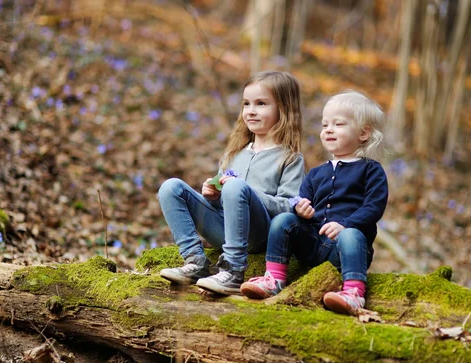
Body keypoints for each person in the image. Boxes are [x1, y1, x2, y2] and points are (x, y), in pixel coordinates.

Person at [240, 89, 388, 316]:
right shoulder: (317, 173)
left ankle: (354, 293)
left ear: (363, 133)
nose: (328, 129)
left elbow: (374, 206)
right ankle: (273, 279)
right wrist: (301, 208)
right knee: (283, 219)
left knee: (351, 233)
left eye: (338, 124)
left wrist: (346, 224)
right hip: (312, 245)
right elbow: (300, 199)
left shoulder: (371, 169)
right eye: (325, 124)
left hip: (345, 249)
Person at [158, 71, 306, 295]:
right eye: (246, 104)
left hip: (259, 235)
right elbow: (226, 201)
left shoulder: (290, 158)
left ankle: (234, 271)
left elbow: (289, 207)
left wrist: (248, 193)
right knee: (171, 187)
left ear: (283, 109)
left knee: (237, 186)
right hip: (224, 229)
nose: (251, 111)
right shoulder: (234, 152)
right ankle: (195, 262)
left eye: (261, 103)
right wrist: (214, 195)